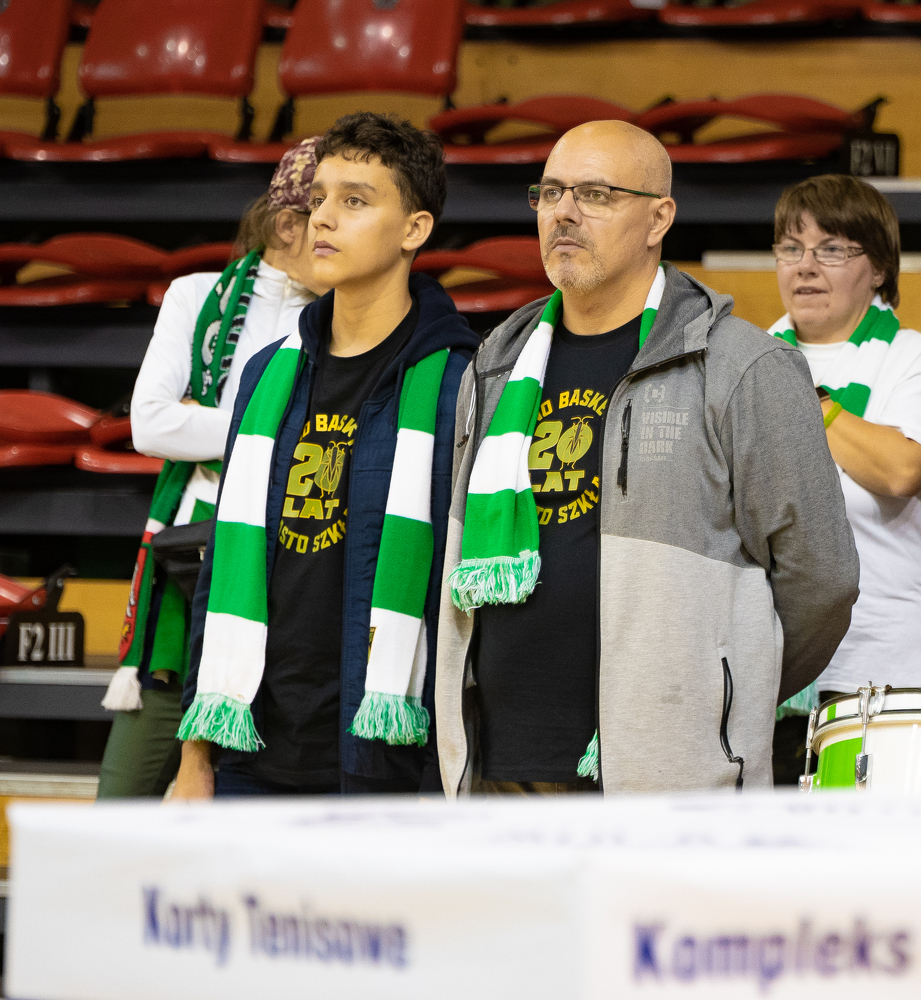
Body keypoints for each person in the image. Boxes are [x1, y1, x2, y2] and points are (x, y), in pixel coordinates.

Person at [434, 121, 859, 796]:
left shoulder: (744, 366)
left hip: (672, 779)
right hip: (497, 770)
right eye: (550, 192)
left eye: (595, 194)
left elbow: (822, 580)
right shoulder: (494, 363)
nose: (564, 212)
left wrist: (723, 691)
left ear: (659, 218)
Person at [172, 112, 479, 797]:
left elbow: (462, 596)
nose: (323, 219)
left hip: (384, 755)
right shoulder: (266, 373)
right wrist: (195, 756)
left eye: (355, 201)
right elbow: (224, 564)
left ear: (415, 229)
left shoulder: (461, 383)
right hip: (249, 745)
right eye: (318, 199)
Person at [97, 138, 326, 799]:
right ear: (288, 224)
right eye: (325, 214)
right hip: (188, 564)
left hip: (289, 562)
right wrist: (269, 431)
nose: (337, 231)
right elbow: (150, 424)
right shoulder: (196, 296)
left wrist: (211, 425)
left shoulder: (344, 318)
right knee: (123, 799)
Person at [764, 174, 921, 780]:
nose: (805, 266)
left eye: (831, 249)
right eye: (791, 247)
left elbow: (900, 469)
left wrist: (805, 397)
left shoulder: (917, 357)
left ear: (879, 267)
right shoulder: (745, 356)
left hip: (882, 645)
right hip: (768, 649)